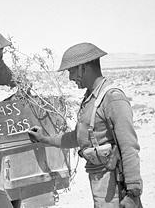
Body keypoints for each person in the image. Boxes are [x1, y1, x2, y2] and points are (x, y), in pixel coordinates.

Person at [28, 43, 143, 208]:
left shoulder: (113, 98)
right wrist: (44, 139)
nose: (70, 77)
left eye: (71, 71)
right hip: (99, 181)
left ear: (83, 67)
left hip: (115, 185)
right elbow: (77, 138)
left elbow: (129, 147)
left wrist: (133, 193)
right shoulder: (90, 98)